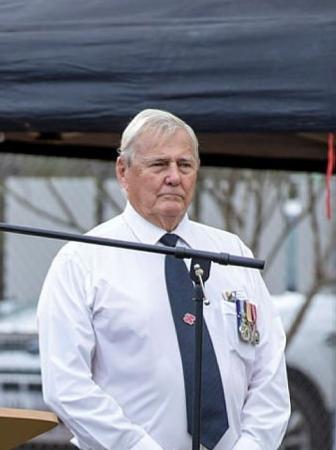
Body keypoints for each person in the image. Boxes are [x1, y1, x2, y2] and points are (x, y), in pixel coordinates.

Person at [37, 109, 290, 450]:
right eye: (159, 165)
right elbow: (66, 385)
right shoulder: (83, 261)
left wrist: (253, 445)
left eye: (184, 165)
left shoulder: (231, 253)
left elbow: (269, 370)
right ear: (123, 172)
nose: (174, 177)